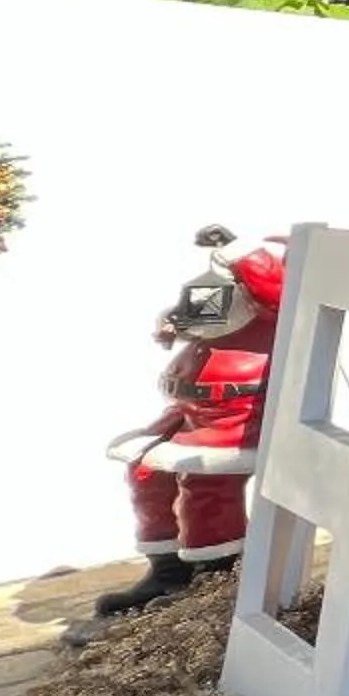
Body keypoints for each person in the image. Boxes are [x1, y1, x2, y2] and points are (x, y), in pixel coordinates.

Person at [87, 226, 285, 619]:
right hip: (190, 411)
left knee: (203, 481)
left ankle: (216, 576)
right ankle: (168, 573)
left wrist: (238, 251)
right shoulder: (227, 303)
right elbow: (204, 320)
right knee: (145, 470)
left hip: (239, 417)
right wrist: (177, 323)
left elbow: (275, 288)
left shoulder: (273, 303)